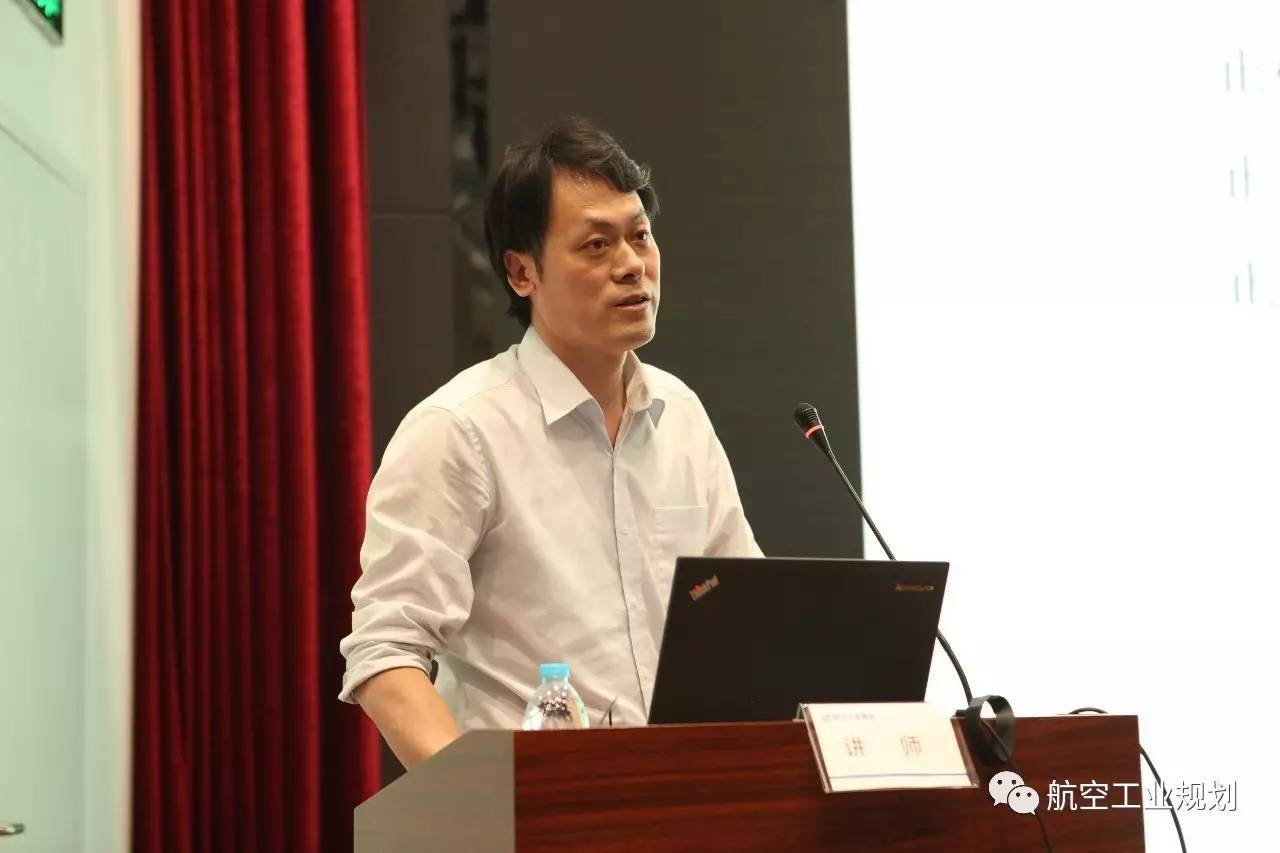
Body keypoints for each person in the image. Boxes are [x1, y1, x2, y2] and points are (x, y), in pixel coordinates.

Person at [339, 116, 761, 766]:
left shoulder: (680, 416)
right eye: (596, 245)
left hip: (681, 795)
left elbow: (747, 615)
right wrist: (482, 802)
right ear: (521, 272)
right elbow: (385, 652)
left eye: (640, 236)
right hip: (537, 804)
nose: (631, 265)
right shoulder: (460, 430)